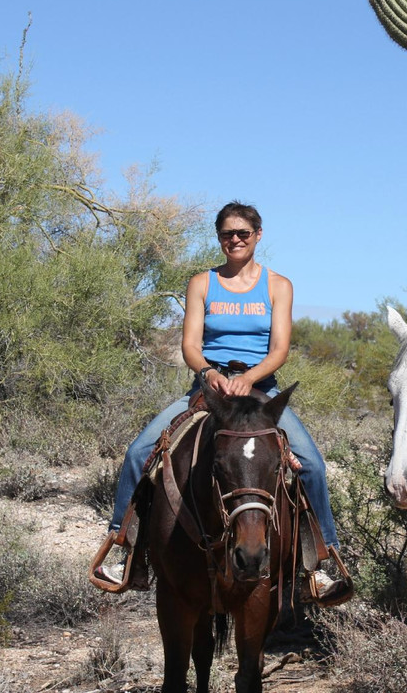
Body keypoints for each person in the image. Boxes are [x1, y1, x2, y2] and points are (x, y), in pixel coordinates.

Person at [97, 201, 347, 599]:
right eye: (227, 234)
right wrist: (209, 374)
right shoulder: (202, 283)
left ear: (258, 236)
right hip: (207, 389)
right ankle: (124, 551)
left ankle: (318, 563)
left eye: (243, 234)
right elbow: (190, 346)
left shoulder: (277, 285)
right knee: (138, 453)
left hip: (259, 390)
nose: (235, 240)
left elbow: (280, 349)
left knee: (311, 465)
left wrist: (248, 378)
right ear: (219, 238)